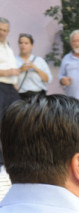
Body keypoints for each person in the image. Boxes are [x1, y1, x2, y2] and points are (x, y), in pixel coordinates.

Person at [0, 18, 20, 165]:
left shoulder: (7, 46)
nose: (2, 33)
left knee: (14, 123)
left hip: (10, 89)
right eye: (0, 29)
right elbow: (8, 70)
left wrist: (15, 83)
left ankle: (11, 159)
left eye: (5, 30)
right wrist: (7, 72)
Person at [15, 33, 50, 101]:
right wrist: (20, 69)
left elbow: (47, 79)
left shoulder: (39, 60)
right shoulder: (13, 60)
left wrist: (35, 68)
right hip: (20, 96)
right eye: (20, 43)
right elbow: (8, 79)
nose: (23, 45)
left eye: (26, 43)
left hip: (38, 96)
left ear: (32, 46)